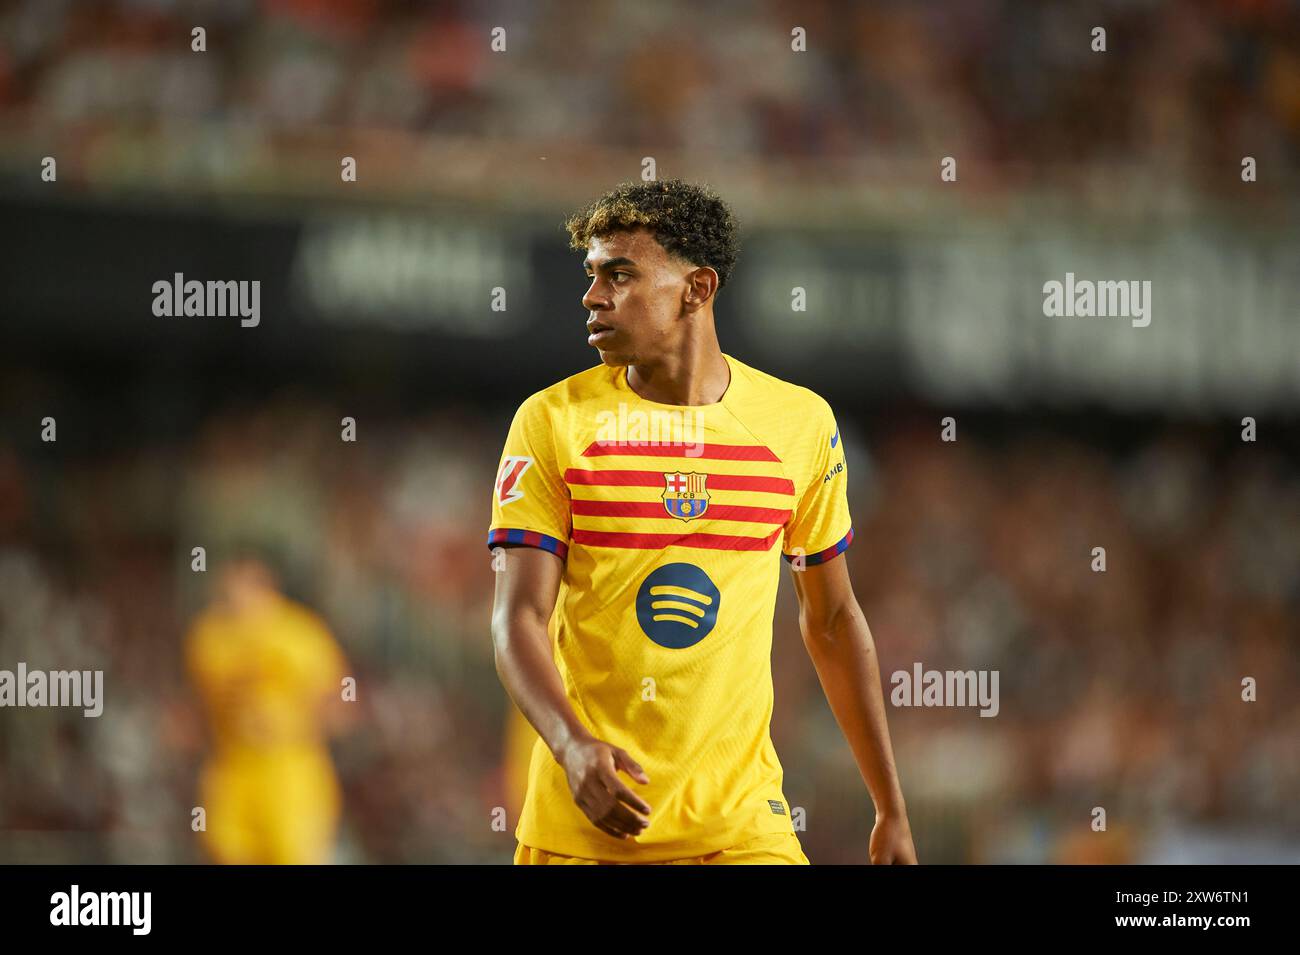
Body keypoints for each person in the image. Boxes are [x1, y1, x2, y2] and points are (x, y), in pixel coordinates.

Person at [488, 179, 916, 864]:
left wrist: (890, 806)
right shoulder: (551, 422)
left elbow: (833, 620)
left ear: (697, 288)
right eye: (593, 275)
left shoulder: (799, 425)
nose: (593, 296)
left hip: (743, 828)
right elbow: (518, 618)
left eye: (620, 274)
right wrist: (571, 745)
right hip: (589, 825)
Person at [185, 549, 350, 864]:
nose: (234, 594)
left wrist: (292, 726)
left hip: (291, 774)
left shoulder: (302, 635)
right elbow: (201, 705)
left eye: (242, 582)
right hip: (231, 772)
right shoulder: (208, 638)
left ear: (265, 582)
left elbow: (342, 708)